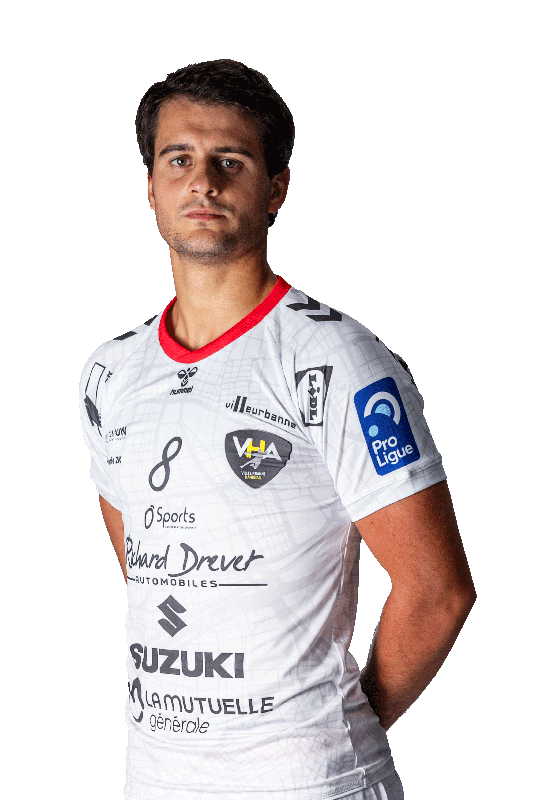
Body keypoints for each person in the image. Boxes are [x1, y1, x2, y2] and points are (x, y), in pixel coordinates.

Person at [79, 59, 476, 800]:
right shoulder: (110, 372)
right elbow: (149, 563)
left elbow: (438, 589)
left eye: (230, 161)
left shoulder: (336, 357)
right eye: (179, 159)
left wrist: (337, 728)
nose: (203, 182)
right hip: (155, 776)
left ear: (276, 189)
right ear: (151, 188)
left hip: (308, 783)